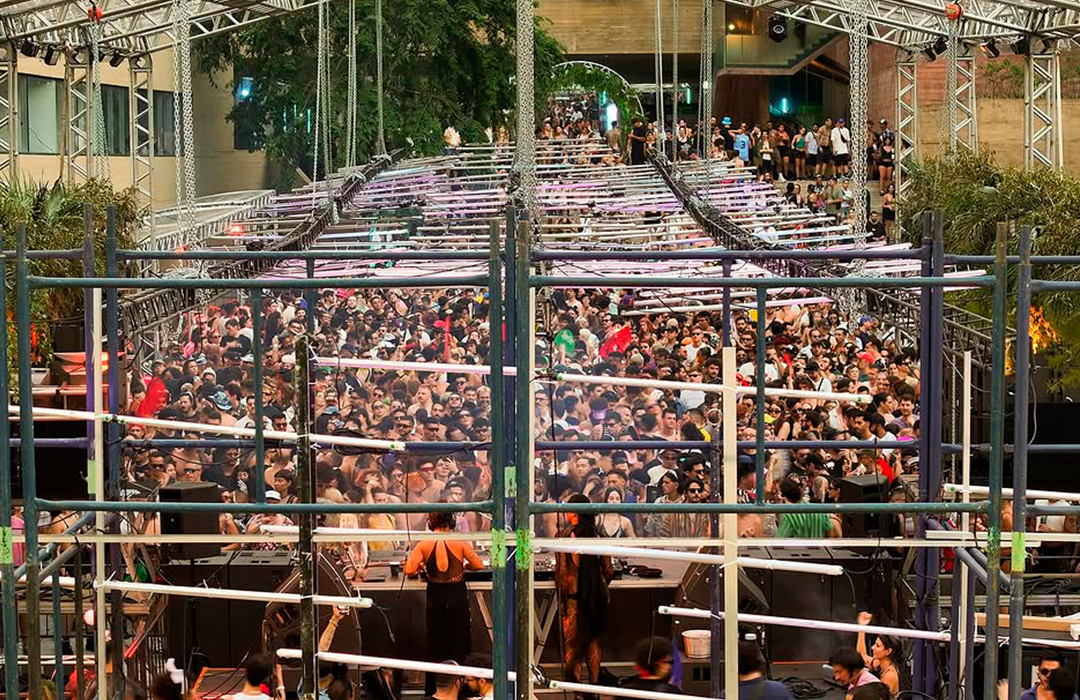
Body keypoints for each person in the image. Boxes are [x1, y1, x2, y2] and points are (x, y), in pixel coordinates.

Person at [404, 510, 484, 693]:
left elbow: (409, 570)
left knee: (436, 645)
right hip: (456, 594)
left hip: (436, 596)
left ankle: (435, 690)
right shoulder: (459, 542)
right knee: (460, 643)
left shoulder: (424, 544)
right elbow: (478, 565)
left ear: (431, 522)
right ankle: (463, 690)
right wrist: (465, 566)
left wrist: (421, 566)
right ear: (452, 521)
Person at [555, 493, 614, 684]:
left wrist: (561, 600)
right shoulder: (598, 535)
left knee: (572, 645)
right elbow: (609, 570)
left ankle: (578, 692)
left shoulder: (563, 537)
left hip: (574, 597)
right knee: (593, 643)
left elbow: (562, 574)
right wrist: (600, 585)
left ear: (574, 513)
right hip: (595, 596)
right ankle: (595, 688)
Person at [855, 612, 904, 695]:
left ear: (888, 651)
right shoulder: (879, 664)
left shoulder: (889, 676)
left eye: (877, 646)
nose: (872, 647)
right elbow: (862, 655)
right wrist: (861, 627)